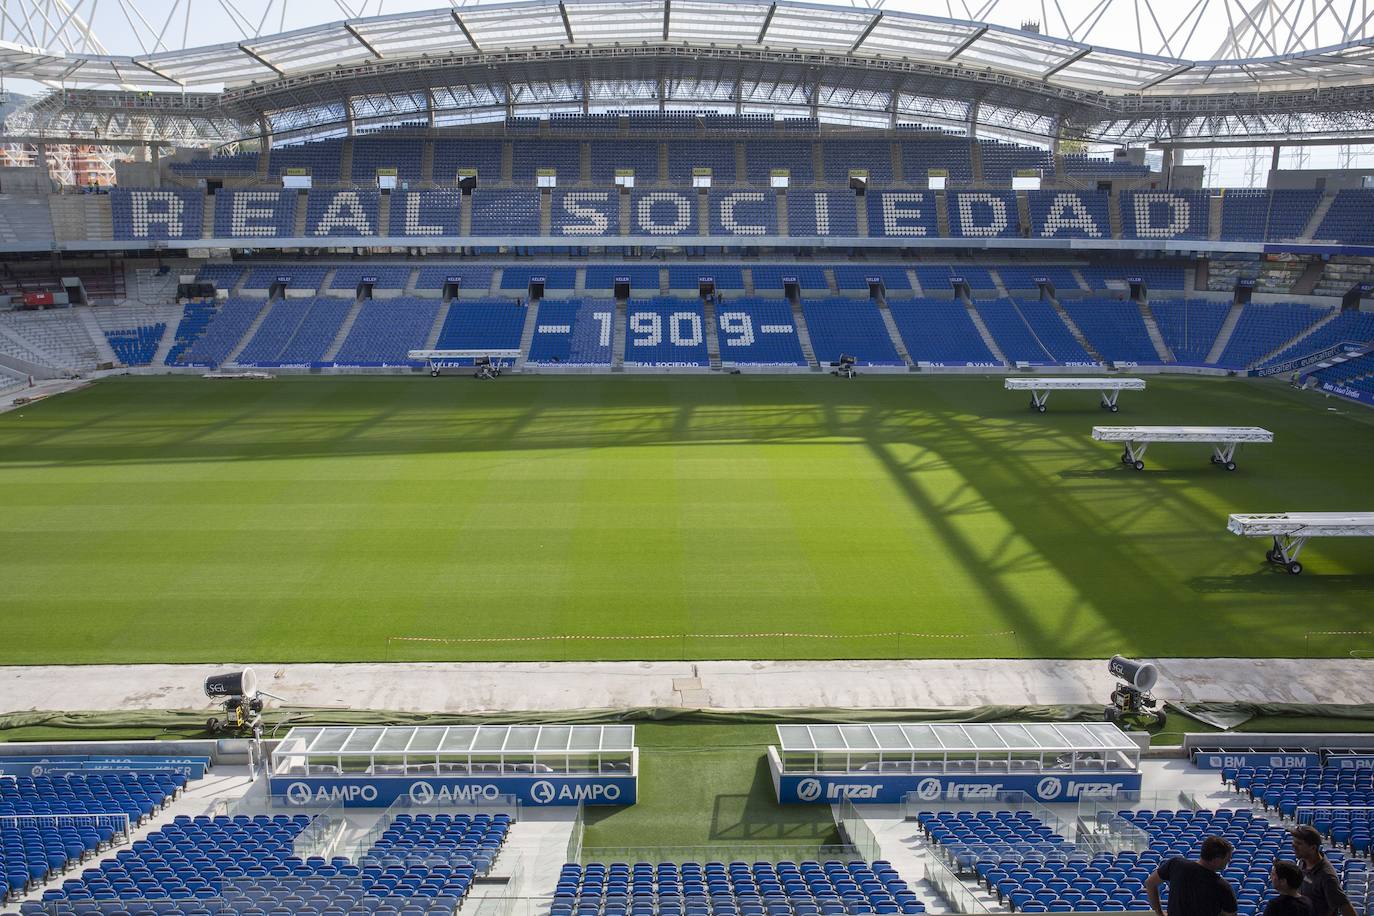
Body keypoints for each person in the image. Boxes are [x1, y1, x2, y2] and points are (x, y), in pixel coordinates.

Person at [1145, 835, 1238, 916]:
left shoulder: (1176, 864)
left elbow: (1150, 883)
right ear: (1217, 859)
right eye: (1227, 859)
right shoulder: (1223, 887)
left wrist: (1159, 912)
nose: (1228, 861)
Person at [1290, 826, 1358, 916]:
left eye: (1298, 843)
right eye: (1294, 842)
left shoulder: (1327, 877)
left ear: (1313, 848)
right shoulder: (1303, 862)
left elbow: (1347, 909)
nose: (1293, 846)